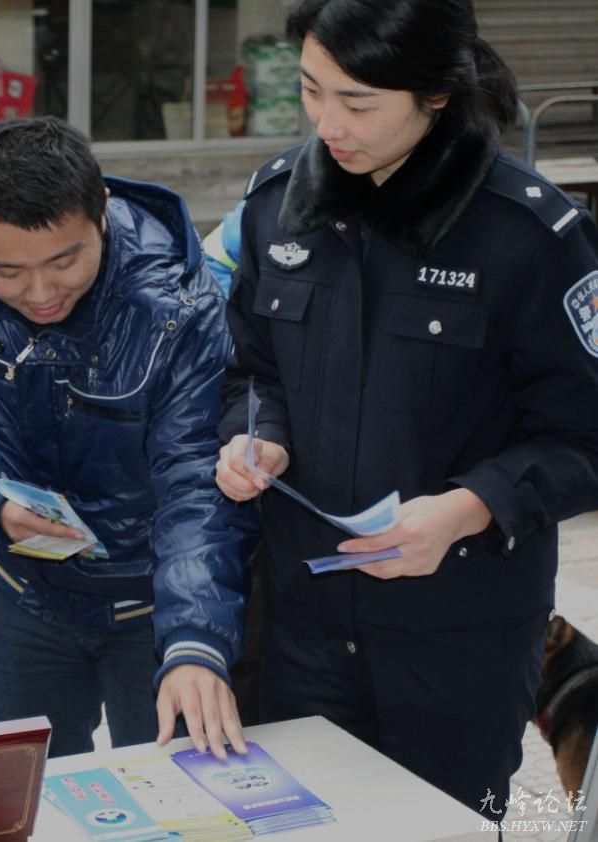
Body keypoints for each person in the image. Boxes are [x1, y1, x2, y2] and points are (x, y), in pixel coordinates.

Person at [214, 0, 598, 809]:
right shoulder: (276, 207)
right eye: (310, 90)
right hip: (302, 629)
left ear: (436, 94)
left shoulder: (528, 233)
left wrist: (468, 507)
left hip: (458, 638)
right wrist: (257, 436)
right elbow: (250, 370)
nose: (326, 125)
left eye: (357, 103)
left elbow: (583, 435)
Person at [0, 117, 260, 759]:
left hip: (154, 604)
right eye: (7, 271)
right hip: (22, 596)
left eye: (64, 260)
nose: (41, 293)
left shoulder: (176, 308)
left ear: (101, 210)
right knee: (28, 786)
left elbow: (195, 478)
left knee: (175, 789)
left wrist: (195, 640)